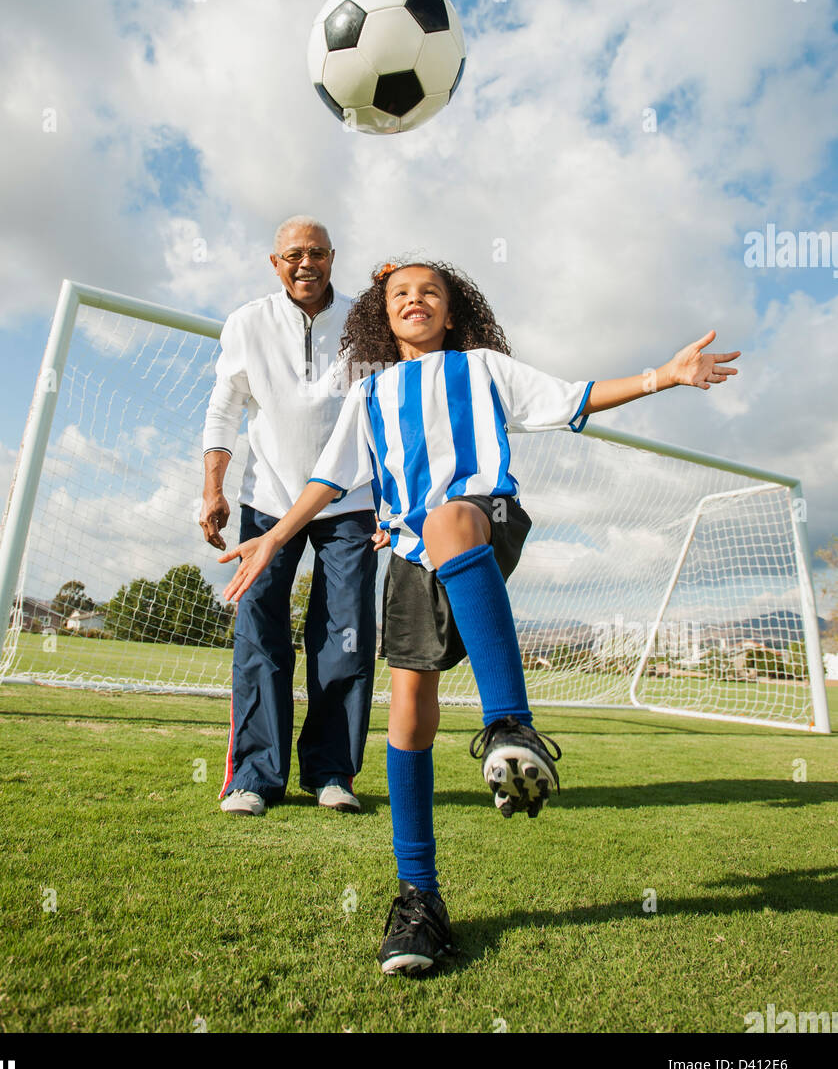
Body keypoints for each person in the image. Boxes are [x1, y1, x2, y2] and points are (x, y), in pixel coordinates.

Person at [219, 257, 740, 972]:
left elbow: (577, 396)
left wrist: (664, 375)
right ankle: (419, 900)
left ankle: (509, 724)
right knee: (407, 708)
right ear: (381, 313)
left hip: (483, 521)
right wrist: (274, 537)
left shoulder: (485, 368)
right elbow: (326, 479)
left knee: (452, 517)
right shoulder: (369, 393)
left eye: (429, 291)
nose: (414, 300)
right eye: (400, 293)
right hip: (408, 556)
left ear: (453, 310)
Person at [200, 216, 383, 817]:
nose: (306, 263)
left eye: (318, 253)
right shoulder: (247, 323)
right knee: (259, 636)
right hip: (267, 502)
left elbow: (384, 419)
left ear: (334, 258)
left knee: (346, 639)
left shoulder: (366, 322)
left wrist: (395, 504)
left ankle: (331, 773)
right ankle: (255, 777)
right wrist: (213, 490)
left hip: (350, 504)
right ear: (274, 263)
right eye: (293, 254)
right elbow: (225, 410)